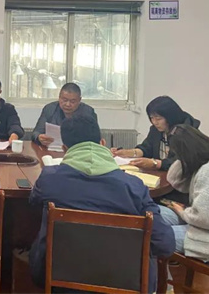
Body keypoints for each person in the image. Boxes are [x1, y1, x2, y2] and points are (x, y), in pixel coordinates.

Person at [28, 114, 174, 293]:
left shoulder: (49, 180)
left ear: (65, 149)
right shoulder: (134, 187)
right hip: (126, 283)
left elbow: (33, 204)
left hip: (60, 280)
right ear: (102, 143)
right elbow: (165, 243)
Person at [158, 125, 209, 267]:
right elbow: (175, 180)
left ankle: (165, 281)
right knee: (154, 215)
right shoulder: (207, 159)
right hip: (204, 225)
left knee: (154, 236)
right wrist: (182, 159)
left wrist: (182, 212)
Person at [112, 96, 200, 171]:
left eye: (158, 119)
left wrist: (155, 163)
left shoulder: (186, 133)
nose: (154, 122)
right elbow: (147, 148)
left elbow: (181, 163)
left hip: (180, 180)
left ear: (170, 117)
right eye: (152, 118)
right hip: (162, 174)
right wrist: (128, 153)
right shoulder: (156, 130)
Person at [32, 82, 98, 146]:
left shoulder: (88, 112)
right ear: (59, 97)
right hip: (53, 149)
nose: (68, 104)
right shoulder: (50, 109)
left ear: (79, 100)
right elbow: (36, 133)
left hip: (79, 150)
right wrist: (39, 137)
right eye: (64, 100)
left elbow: (95, 138)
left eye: (72, 101)